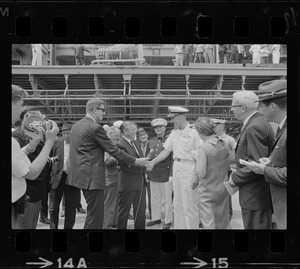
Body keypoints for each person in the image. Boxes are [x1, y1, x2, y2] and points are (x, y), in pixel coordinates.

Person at [67, 98, 149, 229]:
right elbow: (113, 150)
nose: (103, 114)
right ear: (94, 110)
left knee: (92, 214)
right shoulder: (95, 128)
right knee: (95, 218)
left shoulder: (76, 126)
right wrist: (135, 161)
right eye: (102, 110)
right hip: (92, 178)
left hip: (78, 177)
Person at [12, 84, 59, 229]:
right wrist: (50, 141)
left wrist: (32, 146)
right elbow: (31, 173)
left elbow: (17, 158)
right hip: (21, 199)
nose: (21, 110)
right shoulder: (14, 138)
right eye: (20, 105)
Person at [148, 106, 202, 229]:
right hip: (177, 168)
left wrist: (196, 175)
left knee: (189, 204)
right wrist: (153, 162)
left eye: (173, 118)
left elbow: (200, 155)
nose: (172, 121)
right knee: (177, 203)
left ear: (181, 117)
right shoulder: (174, 133)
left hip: (189, 168)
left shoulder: (194, 132)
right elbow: (166, 151)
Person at [228, 90, 275, 229]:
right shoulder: (257, 123)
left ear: (242, 108)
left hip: (255, 194)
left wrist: (235, 177)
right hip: (256, 191)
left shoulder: (254, 127)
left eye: (233, 106)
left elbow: (256, 165)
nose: (231, 109)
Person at [243, 80, 287, 229]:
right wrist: (271, 161)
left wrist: (264, 170)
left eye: (261, 106)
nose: (259, 111)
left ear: (273, 106)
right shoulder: (282, 129)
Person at [12, 110, 52, 229]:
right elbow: (28, 172)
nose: (40, 123)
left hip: (37, 192)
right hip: (26, 194)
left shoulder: (36, 137)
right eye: (37, 119)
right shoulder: (17, 138)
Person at [194, 117, 230, 229]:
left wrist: (196, 159)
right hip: (222, 189)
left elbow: (201, 173)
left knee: (209, 223)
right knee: (222, 221)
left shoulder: (203, 148)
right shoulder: (224, 143)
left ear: (200, 132)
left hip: (208, 192)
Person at [49, 121, 83, 229]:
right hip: (57, 178)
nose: (66, 136)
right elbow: (48, 160)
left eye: (68, 133)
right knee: (54, 207)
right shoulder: (55, 143)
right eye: (64, 133)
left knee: (70, 207)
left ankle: (68, 228)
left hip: (72, 179)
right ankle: (53, 228)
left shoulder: (79, 145)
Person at [116, 121, 147, 229]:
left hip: (140, 182)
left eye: (135, 129)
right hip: (127, 183)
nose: (135, 131)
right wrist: (143, 167)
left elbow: (140, 159)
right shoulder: (120, 145)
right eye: (132, 129)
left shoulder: (136, 142)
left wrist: (146, 166)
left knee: (140, 211)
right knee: (123, 212)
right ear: (124, 131)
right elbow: (125, 164)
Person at [146, 118, 173, 229]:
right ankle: (156, 218)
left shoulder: (169, 139)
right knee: (155, 198)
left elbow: (173, 158)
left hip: (166, 172)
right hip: (153, 172)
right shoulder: (151, 141)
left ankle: (167, 220)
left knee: (167, 199)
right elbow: (148, 156)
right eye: (156, 127)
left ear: (165, 128)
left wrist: (171, 173)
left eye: (160, 127)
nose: (158, 129)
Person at [212, 118, 236, 221]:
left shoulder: (229, 139)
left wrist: (227, 161)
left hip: (225, 169)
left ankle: (228, 213)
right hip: (213, 170)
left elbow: (235, 152)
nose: (213, 127)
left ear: (221, 126)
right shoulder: (212, 138)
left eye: (215, 125)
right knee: (215, 192)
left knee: (226, 191)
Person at [103, 126, 121, 229]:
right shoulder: (106, 146)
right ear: (109, 136)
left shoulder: (114, 146)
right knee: (109, 205)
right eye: (115, 137)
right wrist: (119, 157)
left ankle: (114, 222)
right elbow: (106, 161)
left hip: (115, 178)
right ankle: (106, 226)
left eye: (118, 137)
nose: (117, 139)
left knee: (115, 203)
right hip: (109, 180)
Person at [136, 127, 151, 220]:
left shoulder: (152, 143)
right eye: (140, 135)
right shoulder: (136, 145)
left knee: (151, 194)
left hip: (151, 172)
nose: (142, 137)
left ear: (147, 135)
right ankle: (141, 214)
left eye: (144, 134)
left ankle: (152, 214)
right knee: (141, 195)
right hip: (140, 173)